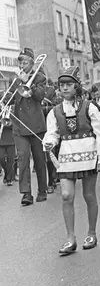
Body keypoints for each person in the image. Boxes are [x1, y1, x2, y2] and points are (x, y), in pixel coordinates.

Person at [42, 67, 100, 255]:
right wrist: (49, 142)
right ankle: (70, 238)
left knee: (89, 195)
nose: (64, 88)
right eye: (61, 85)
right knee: (66, 196)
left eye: (68, 84)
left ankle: (91, 233)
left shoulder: (89, 107)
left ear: (76, 87)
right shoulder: (55, 112)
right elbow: (52, 133)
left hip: (88, 155)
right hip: (66, 157)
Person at [10, 48, 48, 206]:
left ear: (32, 62)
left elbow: (40, 96)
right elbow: (11, 99)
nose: (22, 63)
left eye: (25, 60)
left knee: (39, 159)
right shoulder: (16, 79)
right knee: (23, 158)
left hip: (36, 126)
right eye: (20, 60)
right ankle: (26, 193)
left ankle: (42, 190)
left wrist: (27, 82)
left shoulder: (40, 77)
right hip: (19, 126)